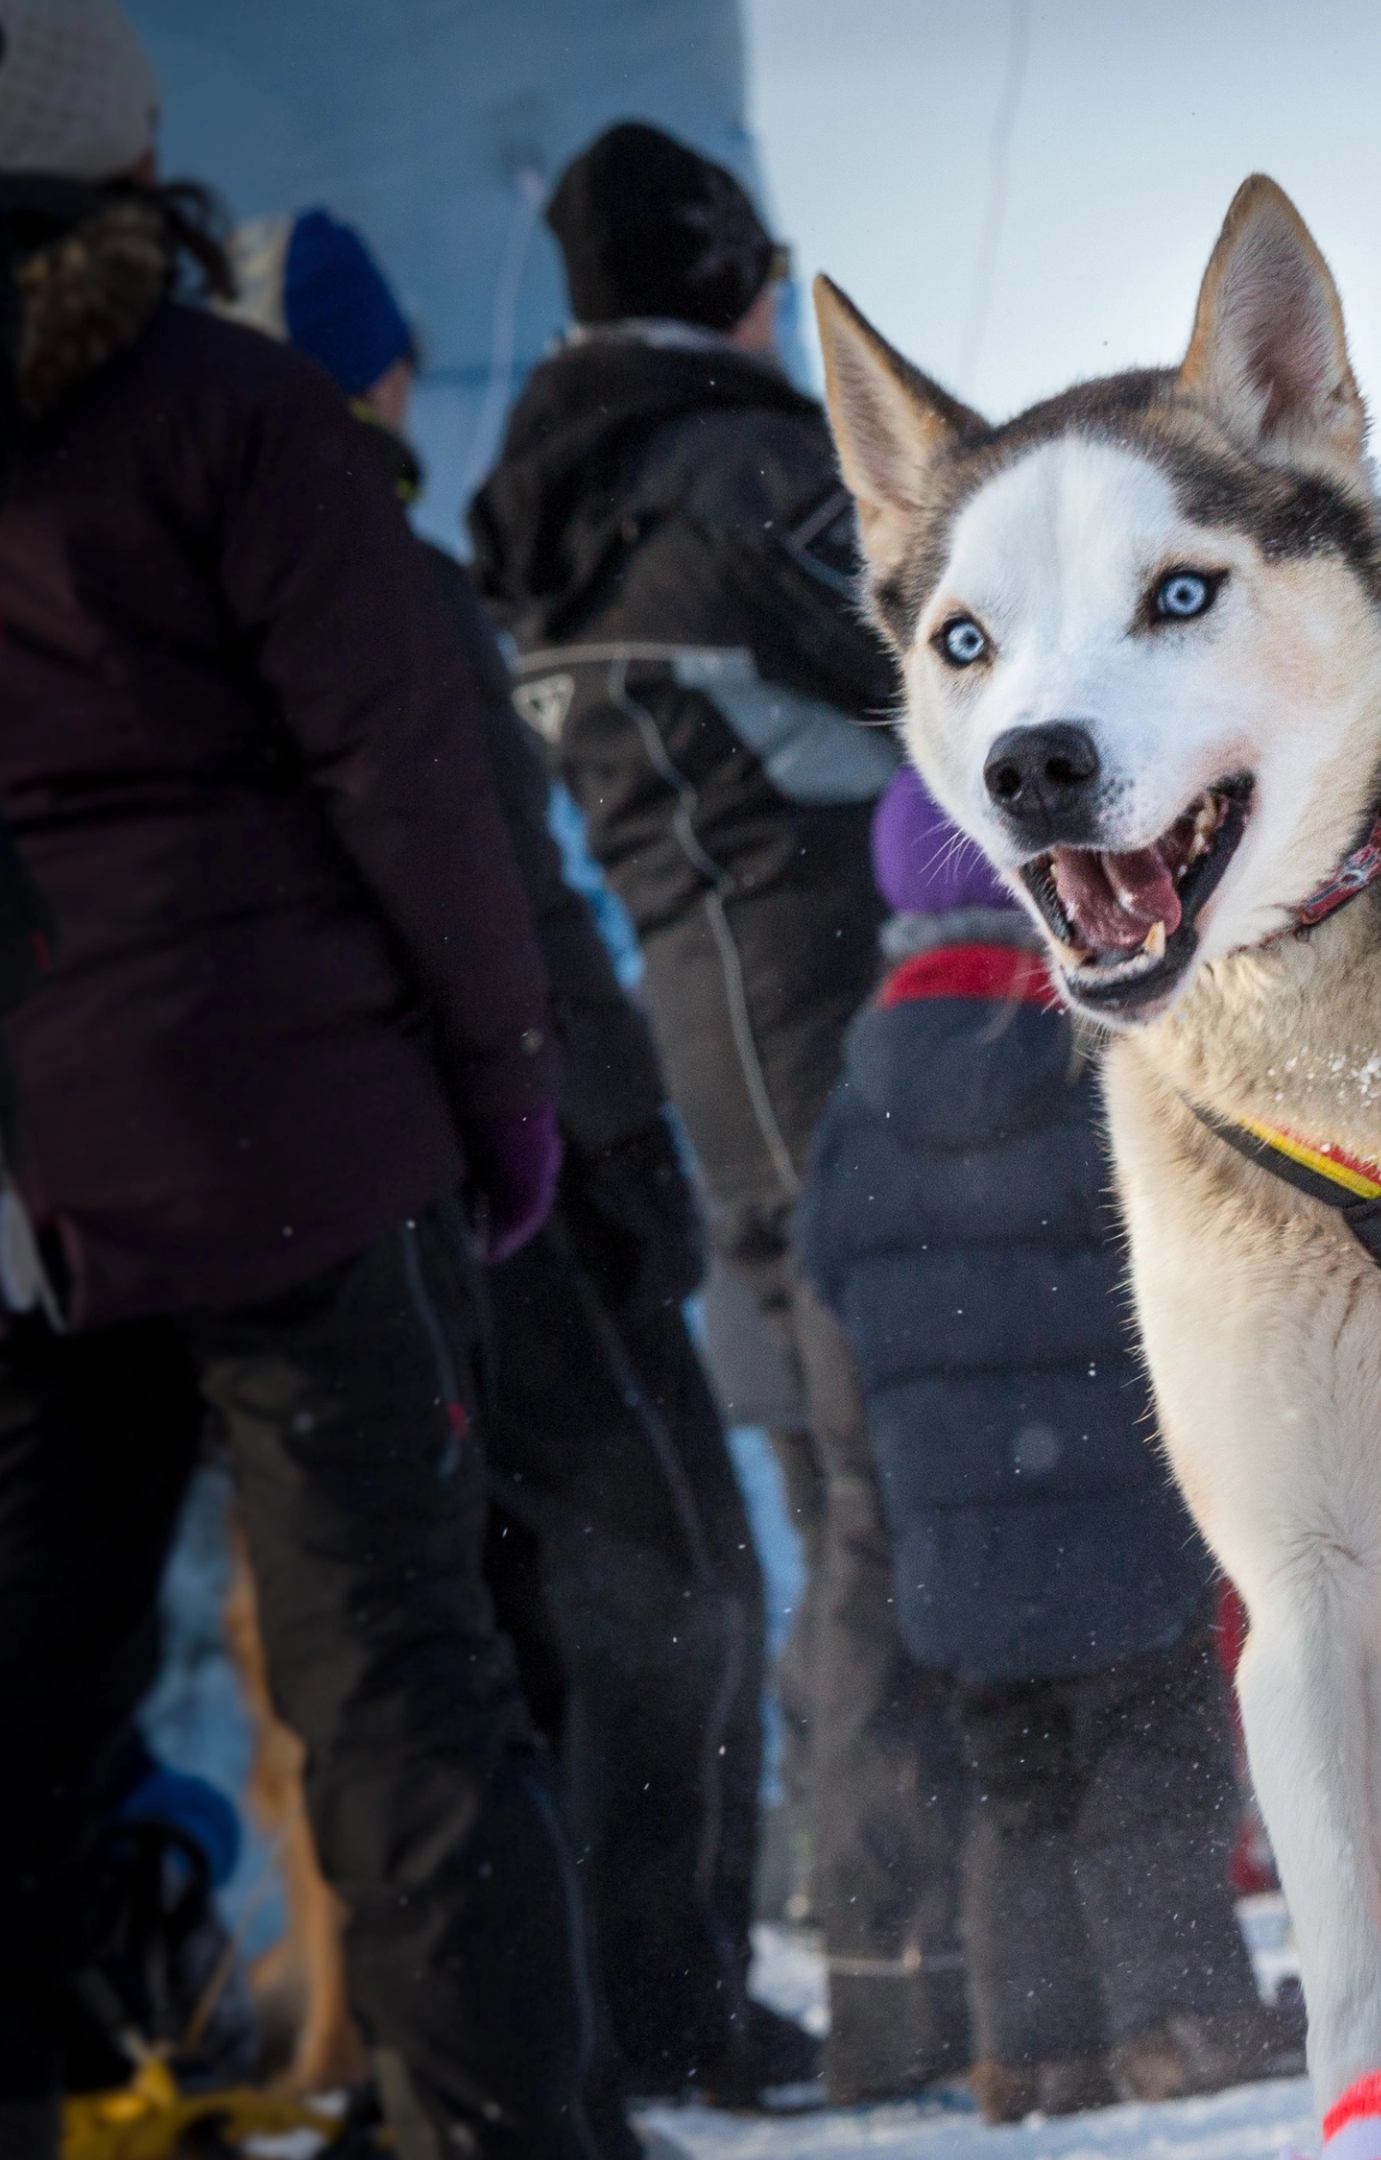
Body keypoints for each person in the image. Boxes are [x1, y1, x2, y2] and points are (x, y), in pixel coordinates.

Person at [0, 7, 614, 2154]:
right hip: (290, 1148)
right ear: (131, 160)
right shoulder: (235, 417)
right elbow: (413, 787)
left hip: (16, 1190)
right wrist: (504, 1086)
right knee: (399, 1689)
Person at [227, 204, 801, 2108]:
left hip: (325, 1177)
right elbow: (494, 893)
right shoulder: (365, 572)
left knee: (454, 1621)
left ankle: (502, 2031)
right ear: (373, 373)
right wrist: (599, 1125)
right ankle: (666, 2002)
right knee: (673, 1575)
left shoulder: (185, 590)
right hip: (513, 1149)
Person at [466, 119, 972, 2101]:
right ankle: (910, 1987)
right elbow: (962, 664)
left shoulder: (539, 504)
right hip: (848, 1045)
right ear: (740, 279)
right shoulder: (752, 473)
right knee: (895, 1513)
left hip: (706, 1063)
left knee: (828, 1513)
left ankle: (876, 1968)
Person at [800, 774, 1303, 2124]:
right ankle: (1184, 2021)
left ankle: (1032, 2053)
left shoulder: (854, 1101)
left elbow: (826, 1289)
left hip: (953, 1548)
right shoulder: (1101, 1060)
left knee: (1015, 1797)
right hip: (1123, 1515)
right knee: (1154, 1765)